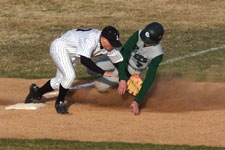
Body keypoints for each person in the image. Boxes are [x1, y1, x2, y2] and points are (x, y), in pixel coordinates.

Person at [24, 26, 123, 114]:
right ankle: (60, 102)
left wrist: (124, 78)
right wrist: (104, 72)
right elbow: (84, 61)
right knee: (70, 76)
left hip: (73, 53)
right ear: (103, 38)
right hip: (60, 47)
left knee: (61, 81)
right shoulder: (90, 39)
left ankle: (36, 93)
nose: (112, 46)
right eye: (111, 42)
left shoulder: (110, 47)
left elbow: (119, 63)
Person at [117, 22, 164, 115]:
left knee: (101, 86)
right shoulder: (138, 34)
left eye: (148, 41)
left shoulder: (157, 54)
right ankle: (120, 82)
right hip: (120, 60)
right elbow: (124, 52)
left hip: (133, 71)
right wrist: (122, 77)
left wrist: (137, 101)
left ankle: (117, 85)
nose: (144, 41)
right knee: (90, 70)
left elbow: (150, 78)